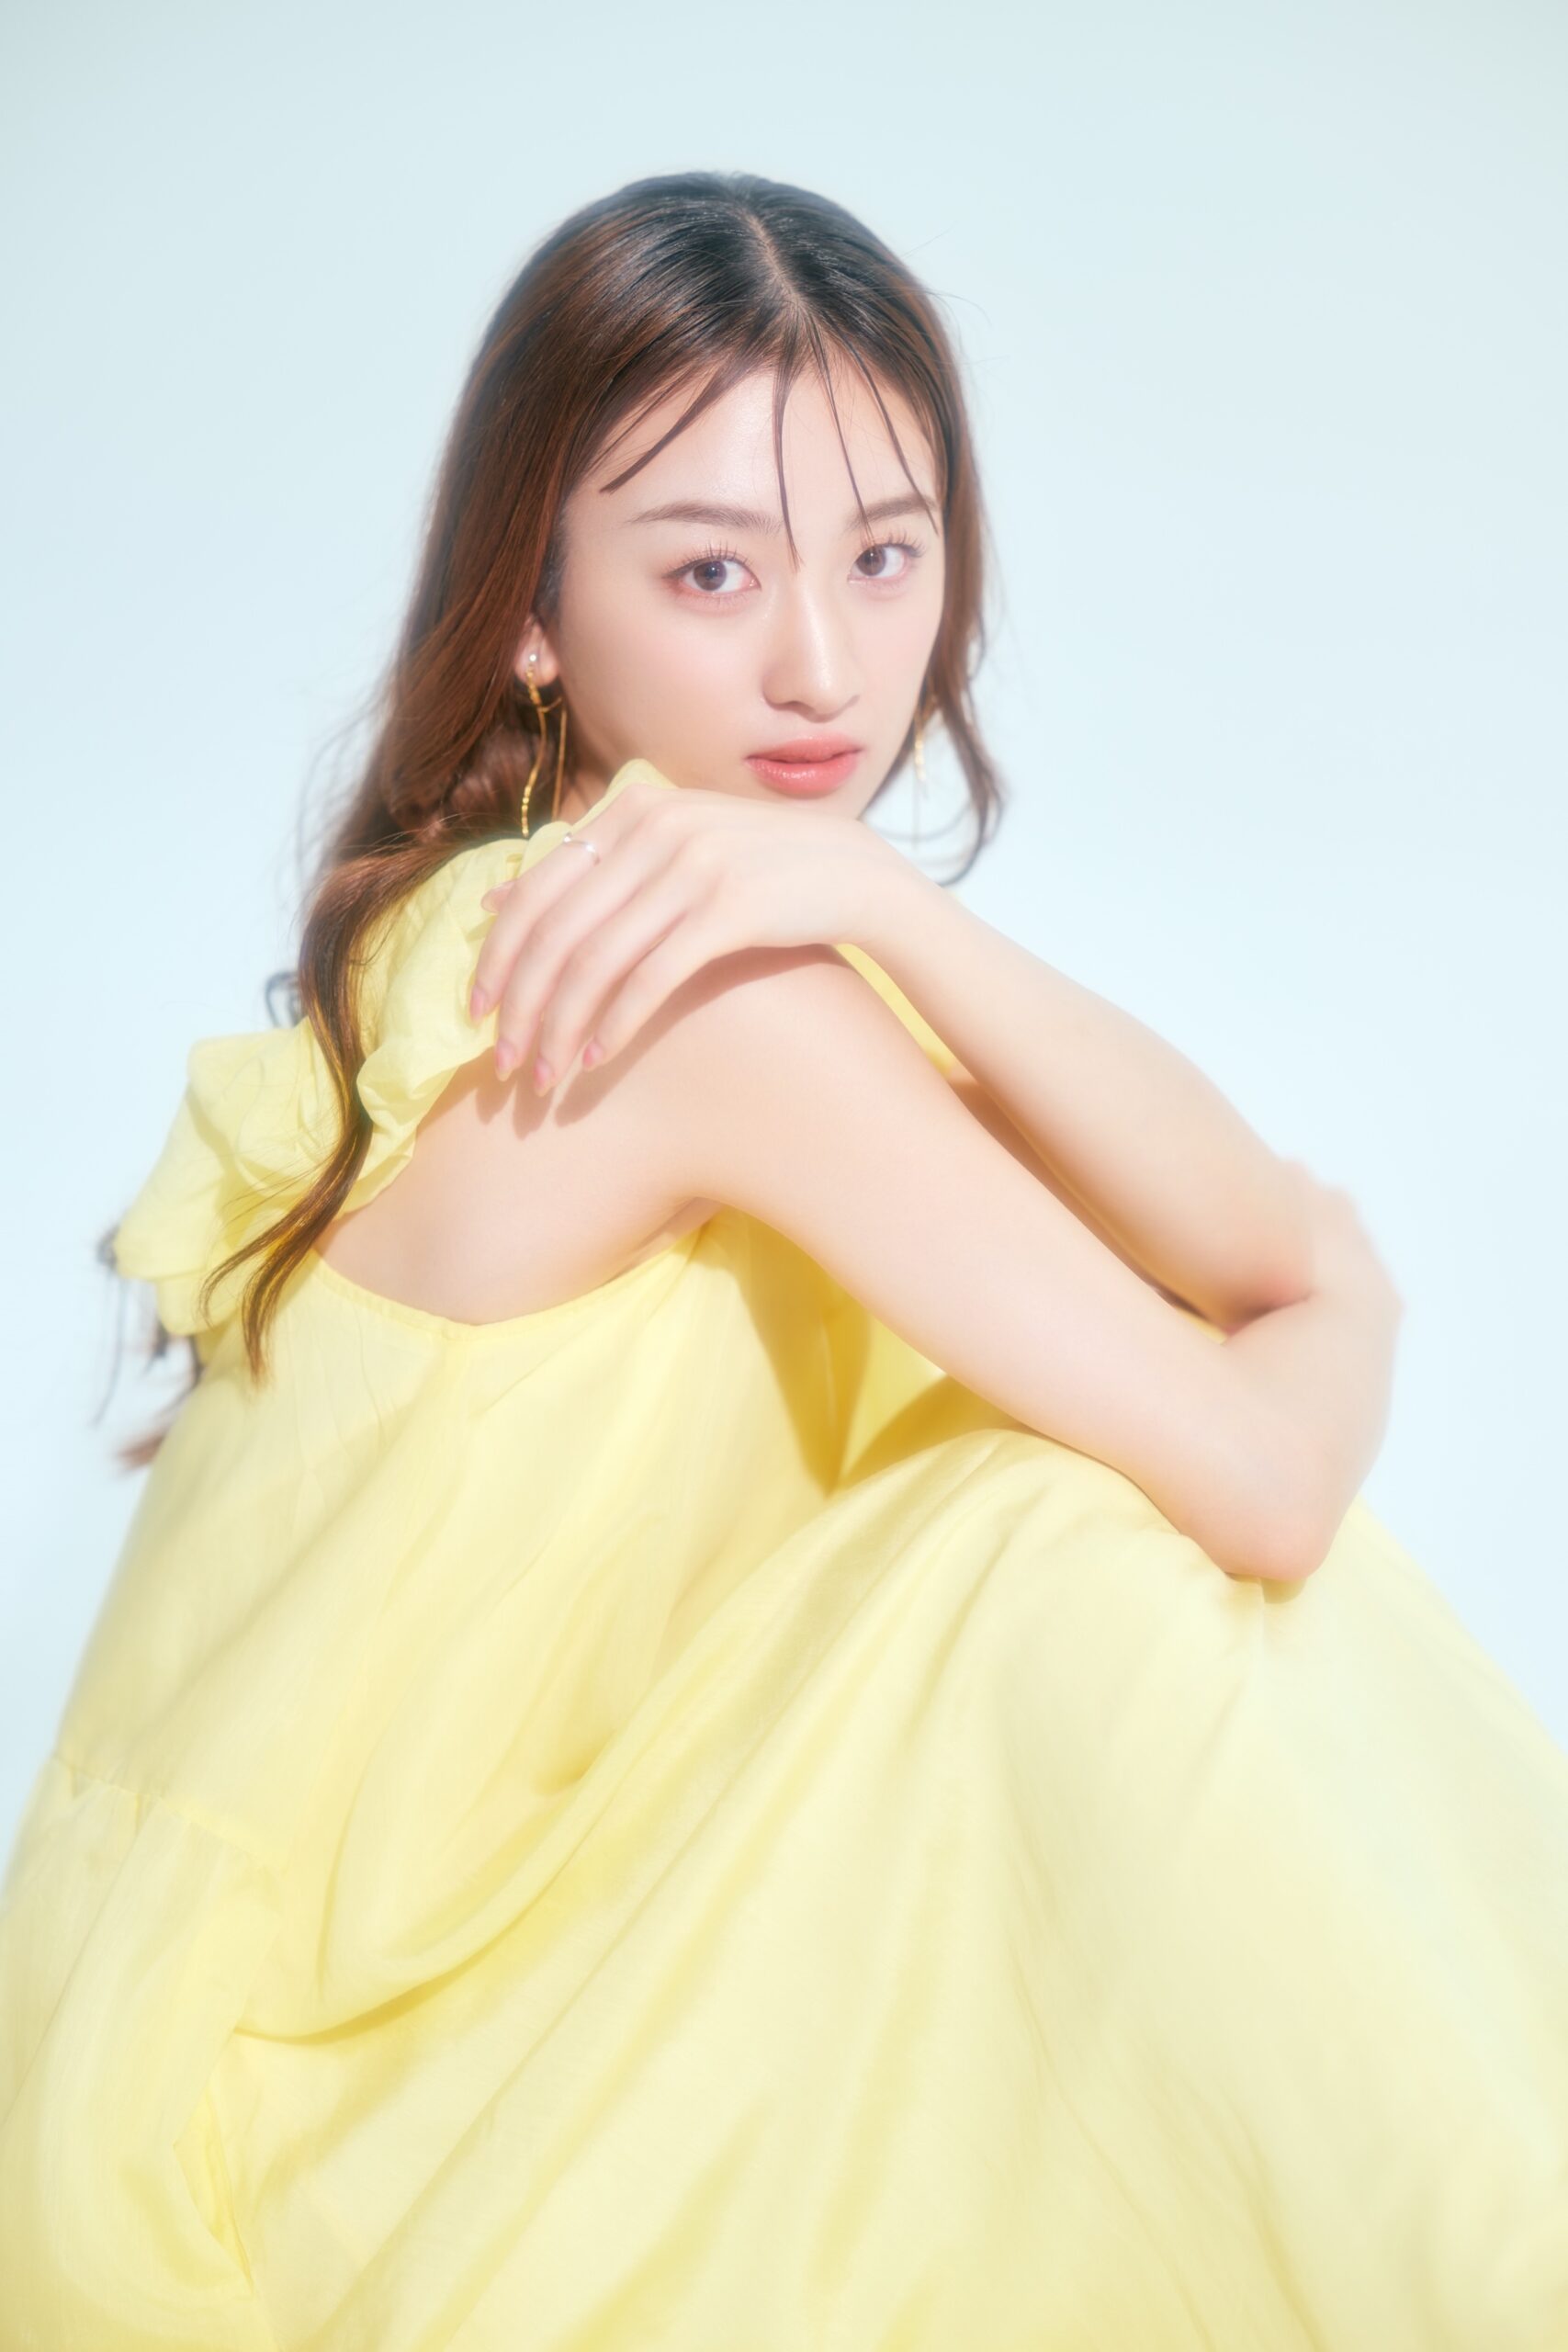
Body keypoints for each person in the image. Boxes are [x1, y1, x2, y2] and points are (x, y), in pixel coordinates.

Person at [1, 169, 1564, 2352]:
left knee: (1042, 1547)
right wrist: (1350, 1297)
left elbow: (1239, 1239)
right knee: (1050, 1550)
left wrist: (887, 902)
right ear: (531, 608)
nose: (824, 663)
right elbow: (1267, 1449)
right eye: (710, 569)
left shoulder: (605, 913)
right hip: (337, 2114)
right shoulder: (695, 1001)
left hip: (281, 2014)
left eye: (884, 554)